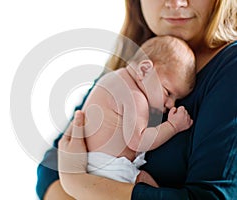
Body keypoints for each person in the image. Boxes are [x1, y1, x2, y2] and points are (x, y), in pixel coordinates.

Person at [37, 0, 237, 199]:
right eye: (168, 93)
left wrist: (78, 182)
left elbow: (211, 197)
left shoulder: (230, 68)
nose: (176, 3)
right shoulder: (130, 64)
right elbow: (49, 171)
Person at [83, 35, 195, 185]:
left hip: (90, 162)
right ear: (144, 70)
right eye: (168, 92)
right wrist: (173, 126)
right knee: (147, 186)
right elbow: (139, 141)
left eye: (176, 99)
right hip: (109, 167)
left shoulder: (115, 78)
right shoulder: (135, 96)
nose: (171, 105)